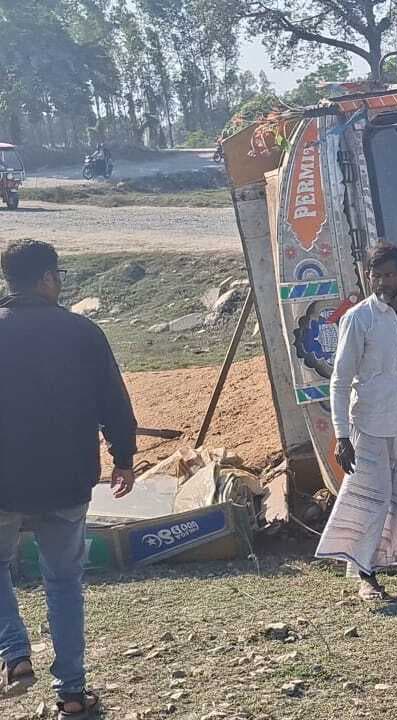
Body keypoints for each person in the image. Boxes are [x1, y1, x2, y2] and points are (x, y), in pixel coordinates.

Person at [0, 240, 137, 718]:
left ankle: (15, 653)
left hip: (3, 483)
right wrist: (124, 457)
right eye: (56, 274)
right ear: (45, 279)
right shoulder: (82, 332)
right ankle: (73, 694)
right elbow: (114, 401)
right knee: (63, 583)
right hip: (66, 480)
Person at [315, 243, 397, 600]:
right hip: (369, 427)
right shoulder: (358, 318)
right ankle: (366, 577)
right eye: (376, 276)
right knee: (370, 503)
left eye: (389, 275)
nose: (382, 282)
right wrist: (342, 436)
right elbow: (340, 381)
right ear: (367, 277)